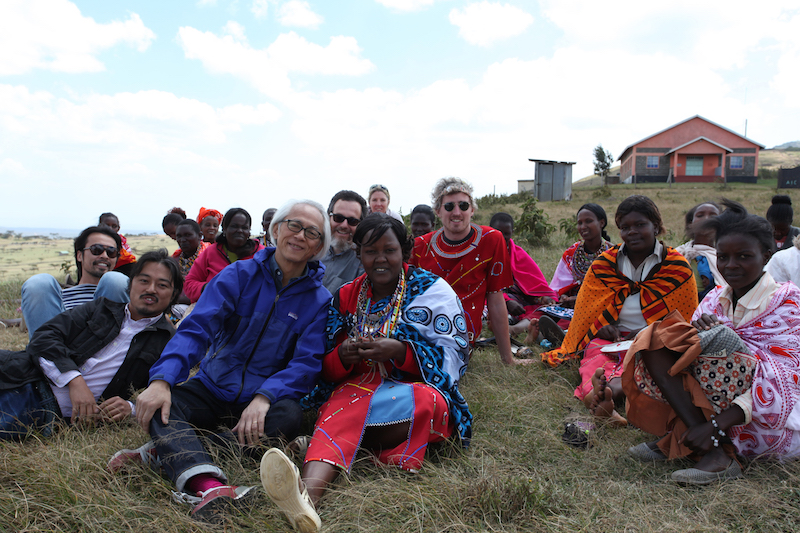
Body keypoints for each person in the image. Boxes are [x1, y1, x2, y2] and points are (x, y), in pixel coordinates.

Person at [110, 199, 332, 521]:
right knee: (163, 404)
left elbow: (306, 364)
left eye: (311, 232)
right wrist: (162, 380)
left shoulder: (319, 301)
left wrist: (264, 396)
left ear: (319, 246)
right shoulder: (238, 275)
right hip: (213, 385)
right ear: (276, 230)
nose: (299, 236)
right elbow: (196, 329)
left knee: (289, 417)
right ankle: (209, 485)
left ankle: (167, 452)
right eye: (293, 225)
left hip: (261, 403)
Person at [259, 213, 471, 533]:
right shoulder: (346, 295)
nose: (380, 259)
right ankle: (306, 502)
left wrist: (400, 351)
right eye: (370, 252)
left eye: (389, 250)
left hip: (407, 393)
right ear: (359, 255)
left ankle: (318, 449)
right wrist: (343, 356)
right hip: (353, 390)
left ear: (405, 251)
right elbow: (325, 367)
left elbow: (453, 352)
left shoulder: (432, 290)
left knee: (429, 406)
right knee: (348, 402)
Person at [622, 200, 800, 484]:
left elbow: (785, 381)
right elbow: (687, 358)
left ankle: (711, 444)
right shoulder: (716, 297)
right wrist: (694, 334)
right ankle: (707, 442)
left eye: (743, 256)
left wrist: (716, 423)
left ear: (766, 256)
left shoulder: (788, 302)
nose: (731, 265)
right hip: (715, 409)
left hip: (766, 421)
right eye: (724, 256)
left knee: (721, 337)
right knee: (657, 337)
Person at [540, 195, 698, 424]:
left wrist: (650, 333)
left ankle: (606, 393)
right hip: (612, 338)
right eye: (625, 227)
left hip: (655, 342)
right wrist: (601, 326)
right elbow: (588, 310)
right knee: (594, 355)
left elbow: (685, 321)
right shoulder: (605, 264)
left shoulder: (676, 266)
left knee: (652, 363)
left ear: (656, 226)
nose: (632, 232)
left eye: (640, 225)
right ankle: (602, 394)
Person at [1, 250, 181, 439]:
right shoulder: (100, 308)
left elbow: (175, 394)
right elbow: (44, 336)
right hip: (23, 373)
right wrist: (74, 380)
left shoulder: (169, 341)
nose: (151, 289)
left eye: (162, 285)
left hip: (44, 408)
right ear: (131, 285)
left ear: (174, 293)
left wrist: (132, 408)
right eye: (144, 281)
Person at [411, 177, 521, 365]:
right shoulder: (420, 246)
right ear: (438, 211)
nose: (457, 212)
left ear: (472, 209)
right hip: (420, 332)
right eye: (449, 207)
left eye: (463, 205)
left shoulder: (491, 240)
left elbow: (496, 299)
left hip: (460, 340)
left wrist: (507, 359)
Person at [21, 225, 130, 338]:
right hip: (55, 345)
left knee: (115, 280)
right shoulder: (53, 298)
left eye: (111, 252)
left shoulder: (122, 292)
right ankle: (45, 353)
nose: (104, 256)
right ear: (79, 255)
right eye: (96, 250)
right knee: (39, 283)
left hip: (106, 347)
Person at [537, 204, 614, 346]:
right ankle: (546, 332)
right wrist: (564, 297)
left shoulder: (613, 253)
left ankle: (560, 335)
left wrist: (580, 299)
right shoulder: (572, 253)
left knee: (591, 317)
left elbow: (613, 290)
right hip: (570, 306)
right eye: (580, 223)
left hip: (598, 305)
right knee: (543, 312)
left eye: (588, 221)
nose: (583, 226)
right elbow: (559, 285)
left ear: (602, 223)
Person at [488, 212, 556, 339]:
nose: (502, 237)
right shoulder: (483, 254)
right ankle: (509, 324)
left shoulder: (519, 253)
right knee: (492, 308)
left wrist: (543, 298)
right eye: (498, 232)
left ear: (512, 232)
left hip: (522, 301)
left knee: (548, 310)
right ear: (490, 230)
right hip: (497, 299)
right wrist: (507, 301)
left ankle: (516, 328)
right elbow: (483, 287)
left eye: (506, 234)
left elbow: (535, 284)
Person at [184, 208, 265, 303]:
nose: (239, 231)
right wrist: (210, 288)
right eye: (234, 226)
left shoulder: (260, 253)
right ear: (225, 228)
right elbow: (189, 284)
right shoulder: (211, 252)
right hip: (214, 309)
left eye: (244, 227)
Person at [320, 190, 367, 293]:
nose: (344, 225)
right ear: (328, 218)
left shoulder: (364, 263)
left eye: (352, 221)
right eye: (338, 218)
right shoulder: (311, 251)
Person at [675, 201, 723, 300]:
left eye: (713, 216)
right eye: (700, 215)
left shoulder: (724, 256)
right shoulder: (677, 254)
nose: (706, 219)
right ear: (690, 224)